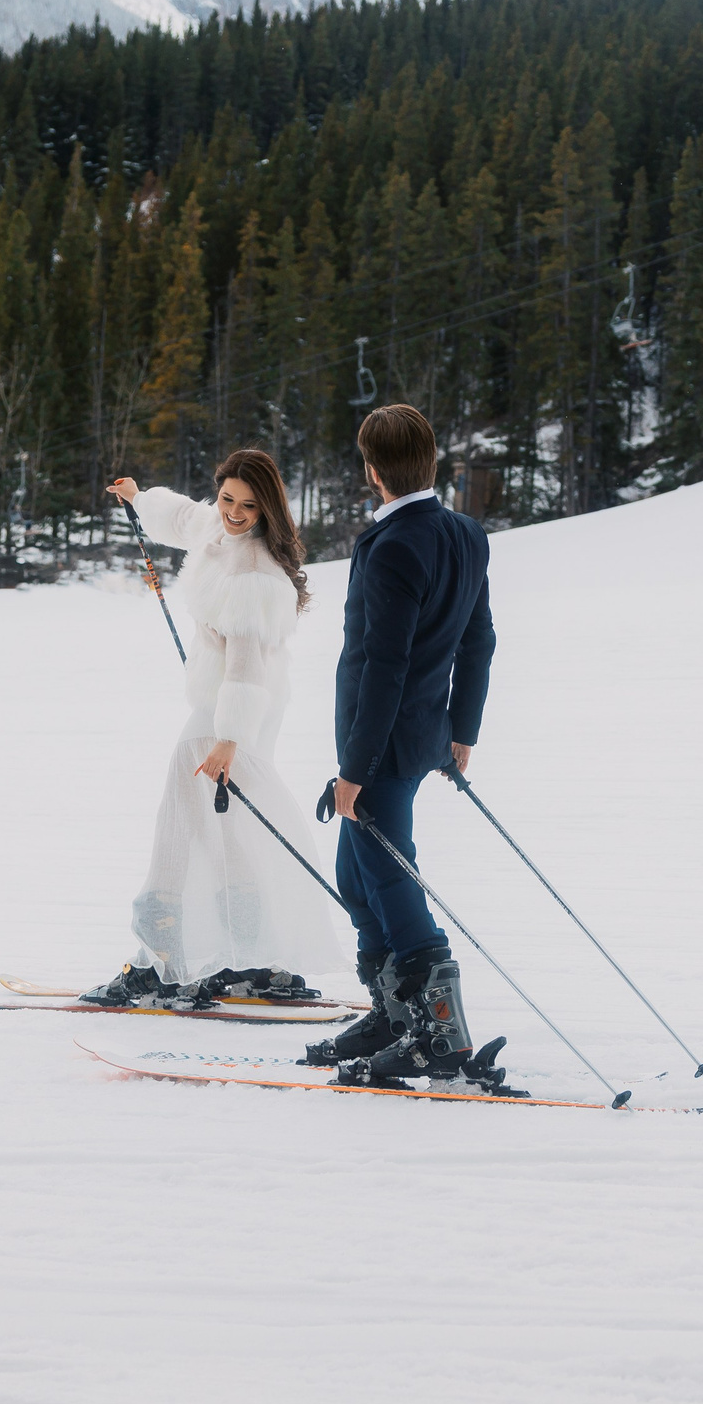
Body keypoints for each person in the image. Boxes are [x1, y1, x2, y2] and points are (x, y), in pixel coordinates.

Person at [80, 450, 345, 1008]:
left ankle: (163, 965)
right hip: (240, 708)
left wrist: (227, 737)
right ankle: (251, 956)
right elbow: (183, 518)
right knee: (227, 827)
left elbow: (246, 665)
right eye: (228, 498)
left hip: (228, 713)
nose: (234, 512)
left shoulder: (253, 574)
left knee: (179, 821)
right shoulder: (219, 532)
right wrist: (138, 497)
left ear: (267, 508)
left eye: (249, 505)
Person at [307, 404, 498, 1083]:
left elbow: (383, 666)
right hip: (420, 737)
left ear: (372, 472)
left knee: (390, 877)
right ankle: (393, 1013)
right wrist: (461, 732)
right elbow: (479, 640)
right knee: (356, 876)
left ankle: (439, 1032)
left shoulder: (391, 546)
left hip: (381, 745)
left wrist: (355, 770)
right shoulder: (464, 532)